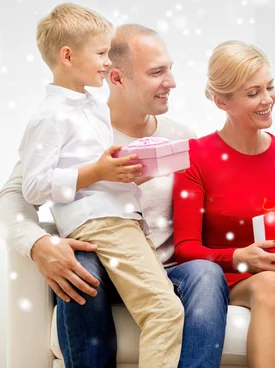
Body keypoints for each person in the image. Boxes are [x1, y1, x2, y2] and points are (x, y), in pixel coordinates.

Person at [0, 21, 229, 368]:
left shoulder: (180, 136)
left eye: (170, 69)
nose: (172, 82)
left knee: (207, 275)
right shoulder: (77, 127)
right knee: (83, 266)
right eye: (157, 72)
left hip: (163, 267)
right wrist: (39, 244)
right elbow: (17, 192)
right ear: (118, 78)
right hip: (104, 264)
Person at [172, 40, 275, 368]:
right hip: (232, 274)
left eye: (270, 87)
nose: (267, 100)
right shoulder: (195, 156)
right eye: (253, 93)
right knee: (269, 283)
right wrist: (238, 256)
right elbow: (184, 247)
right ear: (222, 100)